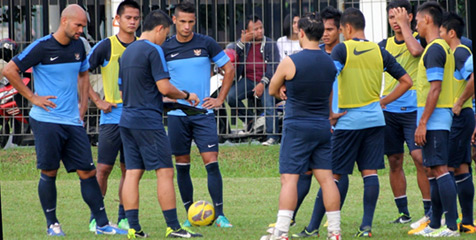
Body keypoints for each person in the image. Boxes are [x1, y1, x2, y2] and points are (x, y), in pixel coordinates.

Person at [1, 4, 127, 236]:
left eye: (83, 26)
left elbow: (82, 74)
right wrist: (32, 97)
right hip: (46, 121)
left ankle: (102, 224)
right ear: (64, 21)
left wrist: (83, 106)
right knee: (49, 172)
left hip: (72, 122)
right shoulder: (41, 47)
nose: (81, 30)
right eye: (78, 25)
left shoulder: (79, 46)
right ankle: (52, 224)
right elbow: (9, 70)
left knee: (88, 172)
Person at [118, 9, 202, 239]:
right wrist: (185, 95)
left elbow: (128, 89)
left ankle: (133, 229)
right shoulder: (154, 50)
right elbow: (164, 87)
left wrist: (161, 102)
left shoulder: (127, 52)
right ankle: (174, 228)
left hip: (126, 119)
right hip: (147, 122)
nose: (166, 39)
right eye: (166, 34)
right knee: (165, 172)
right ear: (160, 29)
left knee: (133, 172)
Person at [330, 8, 412, 237]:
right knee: (370, 173)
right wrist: (383, 101)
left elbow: (329, 78)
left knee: (335, 175)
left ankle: (324, 224)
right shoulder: (379, 50)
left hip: (347, 121)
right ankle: (366, 227)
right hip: (376, 120)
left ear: (346, 28)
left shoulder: (342, 49)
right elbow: (407, 81)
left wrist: (331, 112)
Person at [260, 13, 342, 240]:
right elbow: (328, 93)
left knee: (290, 179)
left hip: (297, 126)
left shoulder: (291, 61)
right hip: (322, 126)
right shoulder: (329, 62)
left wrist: (282, 91)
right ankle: (335, 232)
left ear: (301, 33)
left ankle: (281, 232)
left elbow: (272, 89)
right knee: (327, 180)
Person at [160, 1, 235, 228]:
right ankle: (189, 213)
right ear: (174, 20)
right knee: (182, 164)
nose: (186, 26)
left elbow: (229, 69)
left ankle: (220, 214)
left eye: (191, 22)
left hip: (203, 114)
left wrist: (220, 99)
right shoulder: (164, 48)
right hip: (176, 115)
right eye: (182, 21)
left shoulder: (206, 43)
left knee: (211, 162)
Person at [290, 7, 349, 239]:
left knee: (334, 174)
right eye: (322, 30)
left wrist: (336, 111)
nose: (325, 34)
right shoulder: (314, 56)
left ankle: (316, 225)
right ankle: (291, 215)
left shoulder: (345, 53)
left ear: (341, 30)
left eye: (330, 29)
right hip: (316, 121)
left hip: (339, 120)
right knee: (305, 172)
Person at [86, 0, 140, 231]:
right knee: (103, 170)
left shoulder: (143, 46)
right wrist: (97, 101)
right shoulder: (105, 46)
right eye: (128, 17)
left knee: (129, 171)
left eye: (136, 18)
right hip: (111, 119)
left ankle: (124, 216)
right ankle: (95, 219)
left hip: (135, 119)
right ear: (117, 20)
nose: (133, 22)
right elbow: (81, 72)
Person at [377, 0, 431, 228]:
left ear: (410, 17)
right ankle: (403, 212)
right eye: (391, 18)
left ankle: (429, 211)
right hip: (388, 111)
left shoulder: (420, 40)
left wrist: (406, 27)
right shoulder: (382, 44)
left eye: (399, 17)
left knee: (420, 159)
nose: (395, 23)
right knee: (394, 161)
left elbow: (415, 51)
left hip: (413, 111)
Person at [412, 2, 459, 237]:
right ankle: (434, 224)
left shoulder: (434, 49)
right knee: (433, 170)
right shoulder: (438, 48)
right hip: (435, 119)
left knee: (440, 169)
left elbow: (435, 89)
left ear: (427, 20)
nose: (416, 26)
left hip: (436, 120)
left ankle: (452, 226)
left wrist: (422, 123)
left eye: (417, 21)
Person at [440, 12, 475, 233]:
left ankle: (450, 222)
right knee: (462, 167)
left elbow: (473, 78)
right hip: (463, 116)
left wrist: (459, 101)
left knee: (449, 167)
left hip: (461, 116)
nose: (439, 35)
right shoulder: (455, 52)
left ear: (451, 33)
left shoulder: (461, 52)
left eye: (441, 32)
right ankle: (467, 222)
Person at [227, 15, 280, 146]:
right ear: (246, 32)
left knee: (268, 103)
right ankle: (251, 121)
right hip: (249, 80)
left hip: (267, 82)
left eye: (261, 28)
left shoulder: (270, 44)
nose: (260, 31)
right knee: (230, 97)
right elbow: (232, 56)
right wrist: (242, 42)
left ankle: (272, 136)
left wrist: (262, 83)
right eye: (255, 29)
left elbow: (273, 67)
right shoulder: (242, 44)